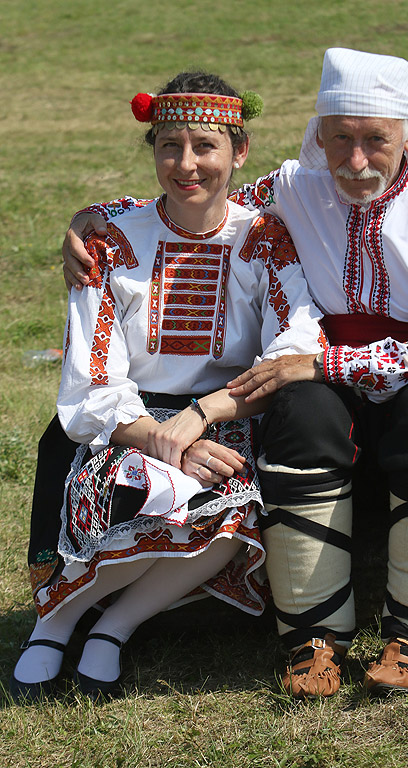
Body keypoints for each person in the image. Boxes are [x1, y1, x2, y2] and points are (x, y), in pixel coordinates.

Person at [62, 49, 408, 699]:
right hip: (337, 408)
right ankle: (311, 638)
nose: (356, 159)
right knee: (299, 408)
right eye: (340, 138)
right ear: (318, 135)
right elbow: (196, 200)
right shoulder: (290, 187)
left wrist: (324, 361)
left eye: (376, 141)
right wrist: (96, 219)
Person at [11, 69, 324, 703]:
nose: (187, 165)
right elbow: (90, 380)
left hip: (224, 417)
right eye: (168, 147)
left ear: (239, 152)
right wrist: (158, 436)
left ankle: (116, 628)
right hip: (122, 424)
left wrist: (203, 417)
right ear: (151, 150)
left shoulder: (264, 239)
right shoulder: (113, 240)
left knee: (233, 510)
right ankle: (56, 620)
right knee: (151, 486)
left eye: (206, 146)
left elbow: (291, 348)